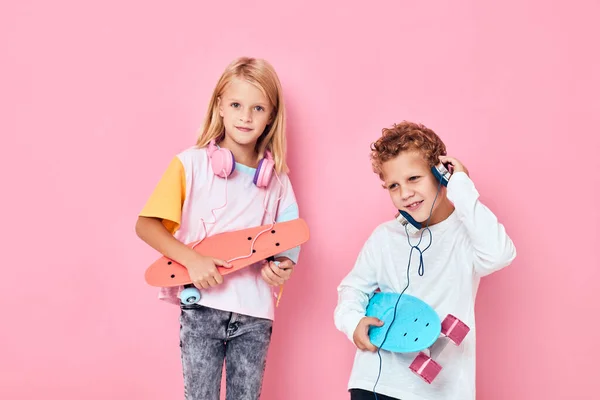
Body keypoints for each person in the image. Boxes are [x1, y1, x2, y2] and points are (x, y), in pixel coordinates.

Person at [135, 57, 301, 400]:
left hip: (256, 315)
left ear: (271, 116)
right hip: (202, 309)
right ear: (220, 107)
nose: (246, 116)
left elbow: (289, 243)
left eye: (258, 108)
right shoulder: (190, 164)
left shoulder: (277, 181)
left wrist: (281, 268)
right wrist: (192, 260)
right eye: (237, 105)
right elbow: (146, 225)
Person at [334, 121, 516, 400]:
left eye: (414, 179)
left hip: (439, 390)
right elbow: (352, 288)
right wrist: (353, 321)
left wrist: (462, 187)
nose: (405, 193)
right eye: (394, 185)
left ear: (440, 175)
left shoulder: (467, 234)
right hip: (376, 383)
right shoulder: (385, 237)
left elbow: (499, 255)